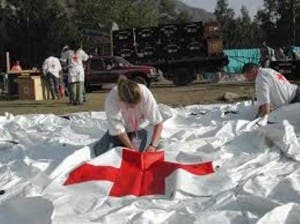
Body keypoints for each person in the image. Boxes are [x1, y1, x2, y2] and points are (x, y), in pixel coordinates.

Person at [94, 76, 163, 156]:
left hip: (139, 130)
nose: (134, 106)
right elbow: (118, 129)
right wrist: (131, 148)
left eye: (137, 103)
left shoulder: (145, 93)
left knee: (135, 156)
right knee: (100, 152)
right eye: (131, 105)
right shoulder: (112, 98)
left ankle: (126, 146)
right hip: (120, 132)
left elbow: (158, 122)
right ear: (122, 99)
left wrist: (153, 145)